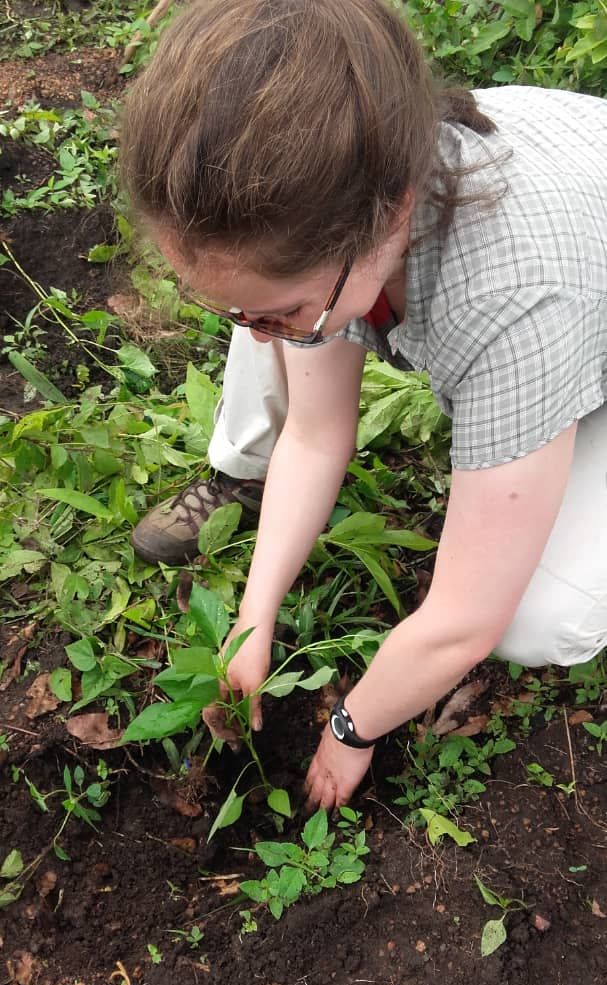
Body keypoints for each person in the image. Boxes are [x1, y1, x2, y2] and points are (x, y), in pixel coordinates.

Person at [121, 0, 607, 811]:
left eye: (279, 317)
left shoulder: (508, 304)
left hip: (574, 289)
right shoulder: (329, 204)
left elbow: (462, 621)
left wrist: (352, 728)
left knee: (537, 620)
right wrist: (251, 615)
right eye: (236, 316)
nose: (264, 338)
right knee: (282, 300)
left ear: (389, 215)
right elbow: (314, 435)